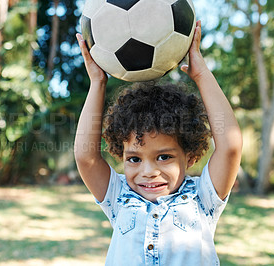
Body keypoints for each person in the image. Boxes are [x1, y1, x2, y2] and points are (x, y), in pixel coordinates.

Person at [74, 20, 242, 265]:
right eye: (134, 159)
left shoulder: (202, 199)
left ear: (190, 156)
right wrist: (97, 82)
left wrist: (201, 74)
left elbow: (230, 146)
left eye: (164, 157)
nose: (148, 172)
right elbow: (86, 157)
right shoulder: (119, 198)